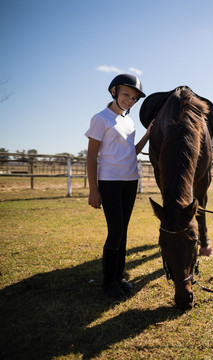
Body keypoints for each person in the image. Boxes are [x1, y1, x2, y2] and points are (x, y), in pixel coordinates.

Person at [85, 74, 153, 299]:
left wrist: (147, 135)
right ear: (114, 91)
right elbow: (92, 155)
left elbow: (130, 152)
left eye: (134, 98)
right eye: (126, 94)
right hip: (110, 182)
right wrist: (94, 189)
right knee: (115, 231)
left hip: (130, 181)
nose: (130, 100)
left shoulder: (129, 121)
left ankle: (119, 277)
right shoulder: (100, 118)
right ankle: (108, 282)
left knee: (123, 231)